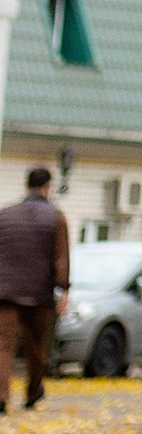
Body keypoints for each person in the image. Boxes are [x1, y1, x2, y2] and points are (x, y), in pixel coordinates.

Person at [0, 166, 71, 414]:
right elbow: (61, 259)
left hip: (5, 292)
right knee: (38, 345)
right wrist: (63, 291)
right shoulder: (56, 217)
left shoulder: (5, 215)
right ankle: (33, 393)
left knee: (2, 346)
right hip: (40, 294)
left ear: (26, 185)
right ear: (47, 186)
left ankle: (1, 395)